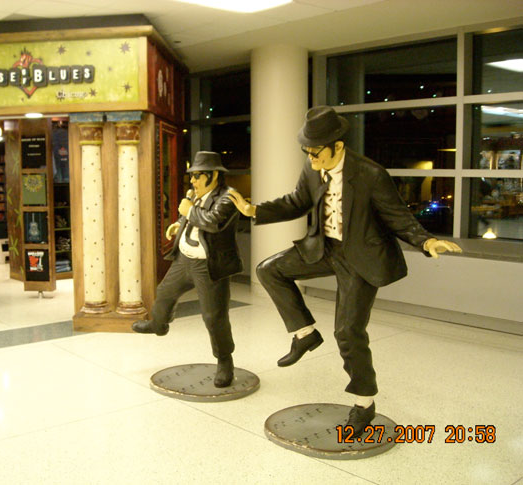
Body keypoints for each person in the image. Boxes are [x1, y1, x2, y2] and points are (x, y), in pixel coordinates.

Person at [228, 106, 461, 435]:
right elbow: (297, 201)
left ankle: (364, 403)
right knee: (268, 270)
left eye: (315, 153)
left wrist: (426, 242)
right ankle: (305, 334)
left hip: (361, 258)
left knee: (348, 333)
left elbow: (397, 217)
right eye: (306, 152)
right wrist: (255, 210)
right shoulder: (313, 169)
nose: (310, 160)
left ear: (337, 146)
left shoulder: (369, 174)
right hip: (325, 248)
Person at [132, 151, 243, 388]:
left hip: (209, 265)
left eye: (197, 176)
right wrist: (178, 224)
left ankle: (225, 361)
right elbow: (193, 218)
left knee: (214, 317)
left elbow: (213, 222)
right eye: (191, 176)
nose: (191, 181)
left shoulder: (229, 197)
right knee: (164, 293)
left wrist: (188, 212)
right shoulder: (196, 195)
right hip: (184, 260)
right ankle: (159, 324)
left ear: (213, 175)